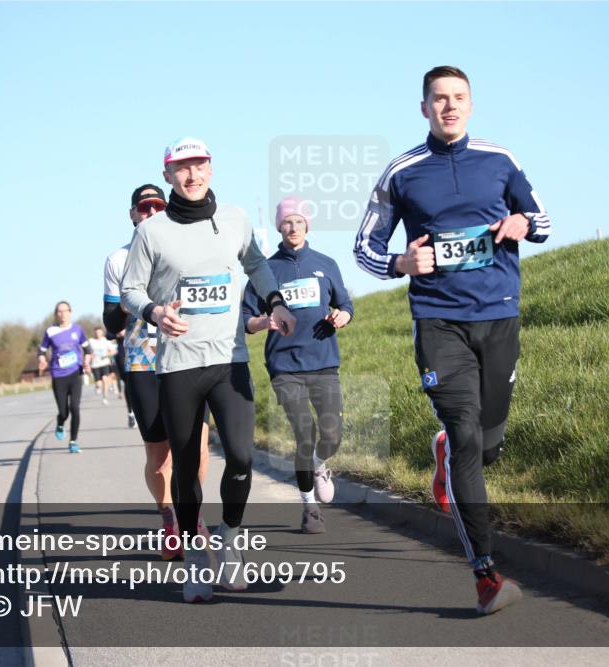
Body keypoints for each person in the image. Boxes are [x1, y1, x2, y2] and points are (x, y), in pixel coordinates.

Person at [353, 66, 552, 615]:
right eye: (439, 98)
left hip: (499, 315)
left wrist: (522, 224)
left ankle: (444, 454)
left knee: (487, 446)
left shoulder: (500, 159)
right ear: (424, 108)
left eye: (458, 97)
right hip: (438, 320)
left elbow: (543, 220)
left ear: (471, 103)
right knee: (466, 433)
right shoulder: (402, 171)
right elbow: (364, 247)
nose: (449, 106)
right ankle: (486, 575)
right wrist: (401, 262)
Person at [121, 137, 296, 602]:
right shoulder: (151, 232)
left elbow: (257, 265)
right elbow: (130, 291)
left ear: (211, 169)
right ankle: (196, 560)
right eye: (182, 168)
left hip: (229, 361)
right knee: (185, 470)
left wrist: (276, 301)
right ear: (168, 175)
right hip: (178, 366)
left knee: (240, 456)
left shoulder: (234, 219)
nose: (192, 174)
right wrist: (155, 312)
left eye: (199, 165)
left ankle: (230, 540)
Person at [103, 183, 212, 560]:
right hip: (143, 362)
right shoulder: (118, 259)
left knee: (198, 446)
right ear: (133, 215)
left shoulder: (185, 250)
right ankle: (169, 519)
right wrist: (133, 297)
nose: (151, 214)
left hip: (188, 357)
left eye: (157, 207)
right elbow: (110, 322)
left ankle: (192, 515)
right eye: (144, 208)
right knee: (160, 455)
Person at [243, 196, 353, 534]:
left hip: (324, 362)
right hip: (285, 366)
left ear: (307, 226)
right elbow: (245, 319)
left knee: (332, 434)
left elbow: (345, 303)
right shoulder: (265, 270)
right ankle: (309, 507)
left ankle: (319, 464)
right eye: (287, 222)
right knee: (305, 434)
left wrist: (342, 316)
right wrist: (264, 323)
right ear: (279, 227)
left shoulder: (325, 264)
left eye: (299, 222)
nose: (293, 227)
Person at [38, 301, 93, 454]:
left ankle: (73, 441)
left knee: (75, 408)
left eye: (65, 311)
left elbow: (88, 350)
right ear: (56, 314)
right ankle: (60, 423)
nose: (62, 314)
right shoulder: (50, 331)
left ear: (70, 312)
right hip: (58, 375)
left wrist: (87, 362)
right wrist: (42, 360)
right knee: (64, 412)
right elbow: (41, 350)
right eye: (59, 311)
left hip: (75, 373)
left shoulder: (77, 330)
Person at [88, 327, 117, 404]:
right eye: (96, 332)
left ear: (102, 333)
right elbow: (87, 352)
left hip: (105, 363)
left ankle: (105, 397)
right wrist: (90, 357)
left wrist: (107, 354)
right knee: (99, 383)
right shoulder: (91, 341)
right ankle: (97, 386)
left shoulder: (106, 341)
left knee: (105, 380)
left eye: (99, 332)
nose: (98, 334)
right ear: (94, 333)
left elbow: (114, 351)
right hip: (95, 364)